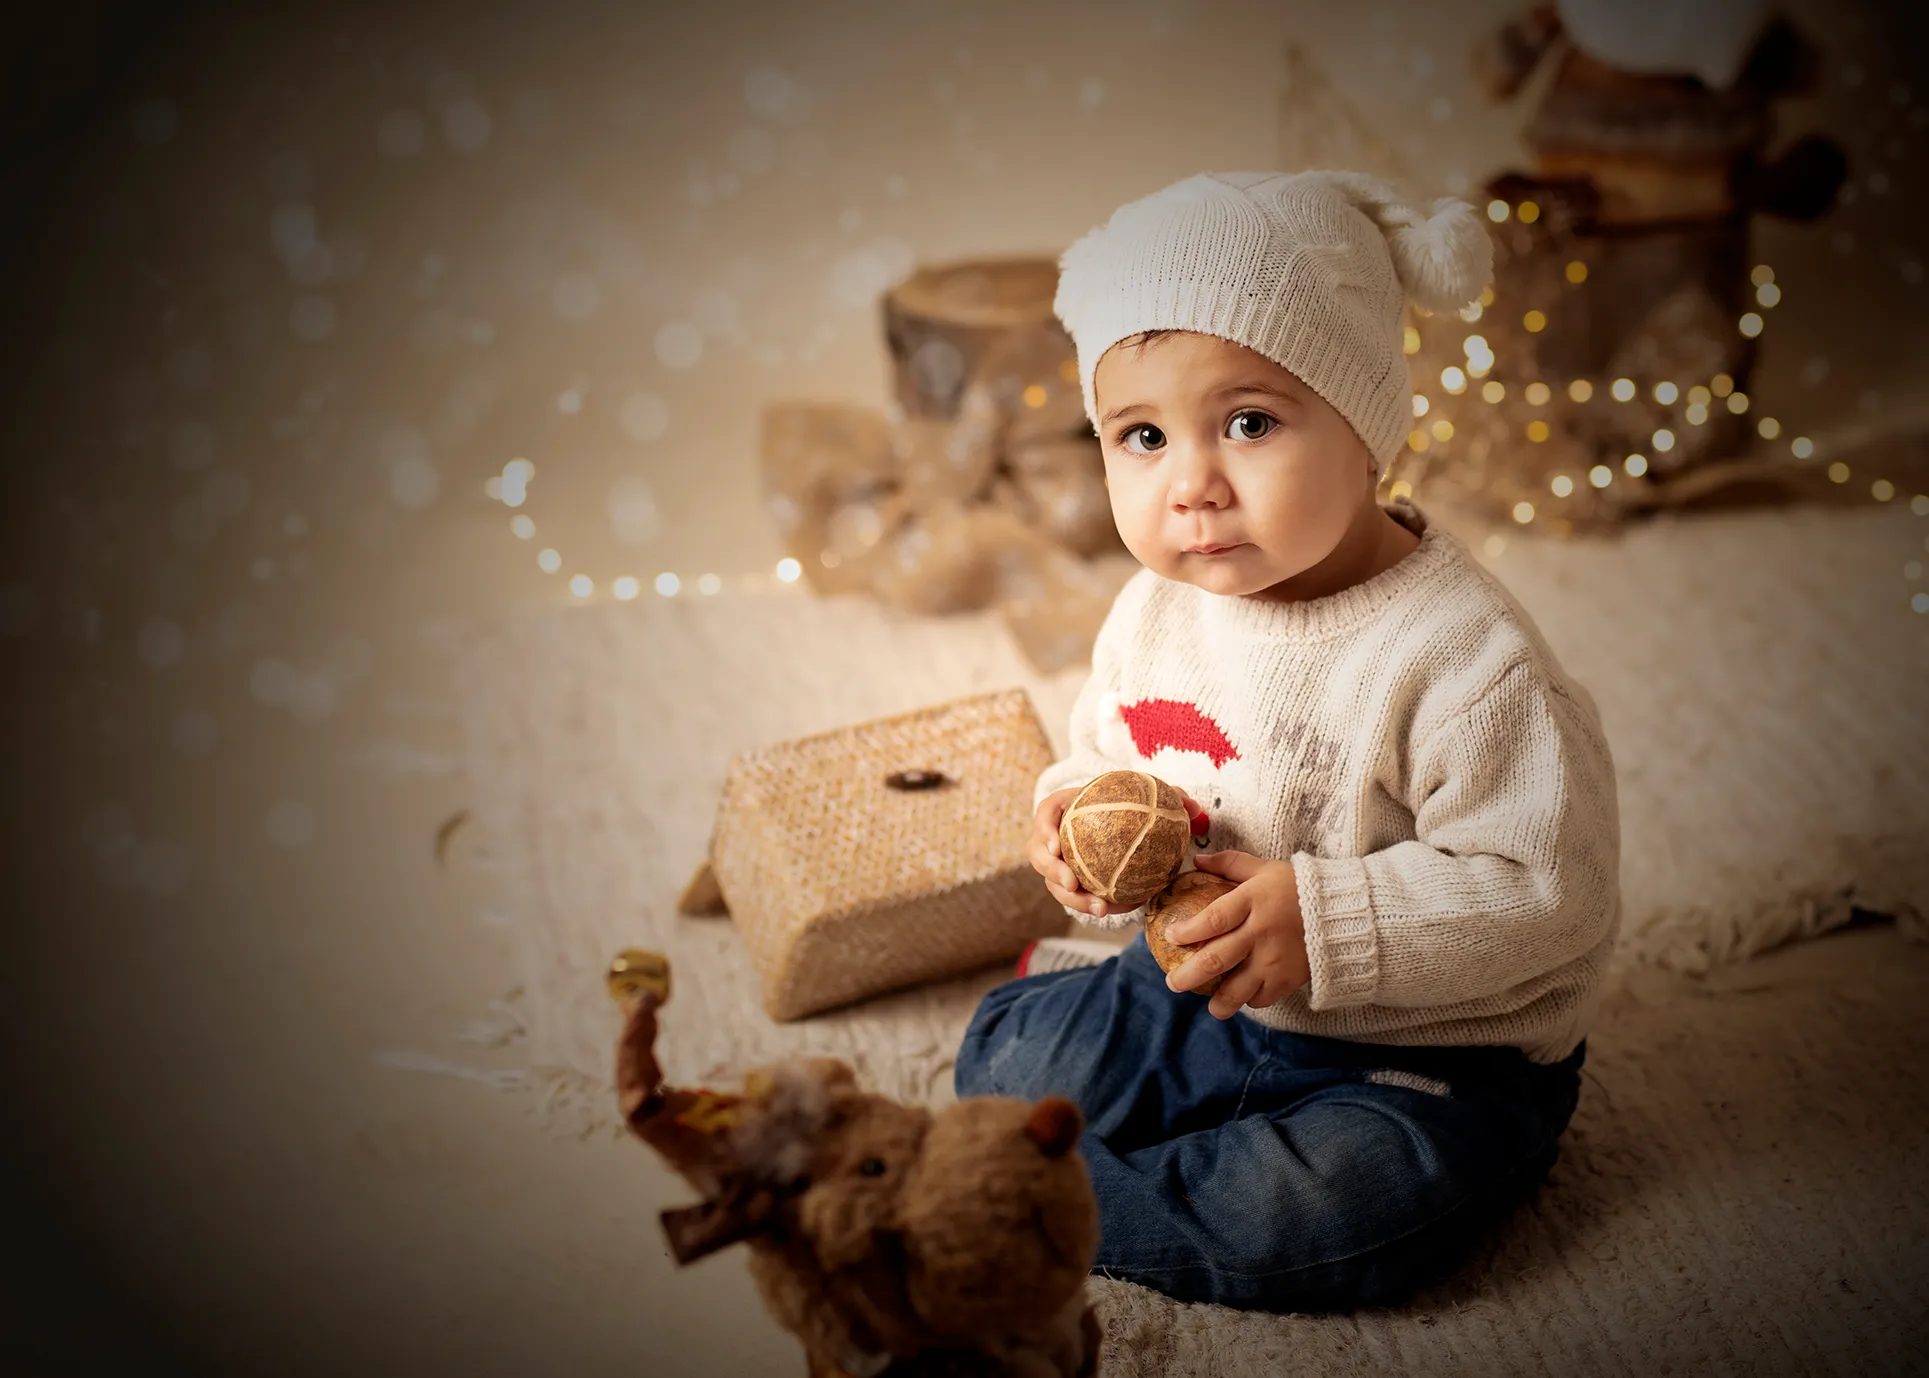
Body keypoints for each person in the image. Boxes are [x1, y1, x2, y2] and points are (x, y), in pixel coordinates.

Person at [953, 170, 1621, 1313]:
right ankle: (1097, 1131)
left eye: (1249, 423)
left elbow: (1547, 890)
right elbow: (1108, 750)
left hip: (1425, 1057)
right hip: (1202, 987)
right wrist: (1080, 817)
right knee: (1006, 1063)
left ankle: (1062, 1208)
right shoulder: (1155, 613)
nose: (1193, 486)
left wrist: (1324, 921)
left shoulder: (1467, 660)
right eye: (1144, 436)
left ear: (1369, 431)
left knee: (1310, 1218)